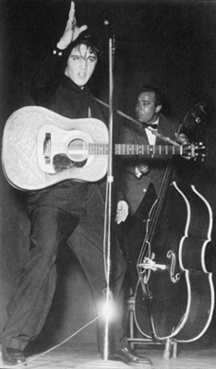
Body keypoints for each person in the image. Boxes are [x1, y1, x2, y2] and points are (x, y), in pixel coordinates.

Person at [1, 2, 152, 367]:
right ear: (67, 60)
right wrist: (60, 44)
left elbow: (102, 159)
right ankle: (13, 343)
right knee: (43, 259)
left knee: (113, 266)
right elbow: (38, 82)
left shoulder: (99, 110)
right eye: (77, 57)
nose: (83, 65)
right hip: (54, 196)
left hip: (91, 198)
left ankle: (113, 344)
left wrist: (118, 198)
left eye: (90, 59)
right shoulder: (52, 89)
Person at [116, 85, 188, 292]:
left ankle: (161, 294)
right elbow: (120, 161)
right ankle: (135, 295)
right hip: (135, 198)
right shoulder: (127, 126)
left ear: (158, 108)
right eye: (138, 103)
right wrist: (137, 167)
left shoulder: (173, 127)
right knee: (133, 250)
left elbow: (184, 163)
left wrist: (183, 147)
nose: (139, 108)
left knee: (164, 247)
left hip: (164, 196)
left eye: (145, 104)